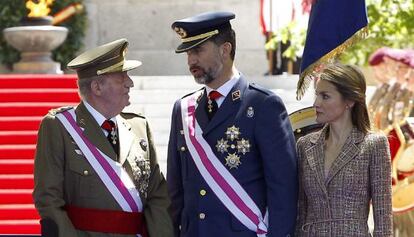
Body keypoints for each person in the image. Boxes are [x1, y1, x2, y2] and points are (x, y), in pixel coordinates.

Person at [167, 11, 298, 237]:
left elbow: (283, 189)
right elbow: (175, 190)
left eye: (198, 50)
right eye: (188, 53)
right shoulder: (183, 108)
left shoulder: (262, 105)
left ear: (225, 49)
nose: (191, 61)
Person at [33, 38, 173, 237]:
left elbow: (157, 196)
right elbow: (48, 199)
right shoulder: (59, 127)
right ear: (97, 87)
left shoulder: (139, 126)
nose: (130, 83)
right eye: (121, 77)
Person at [295, 63, 393, 236]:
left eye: (325, 96)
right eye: (317, 95)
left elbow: (383, 217)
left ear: (349, 100)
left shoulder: (374, 144)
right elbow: (301, 212)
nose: (316, 103)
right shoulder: (304, 145)